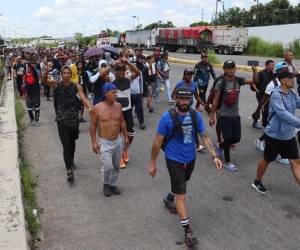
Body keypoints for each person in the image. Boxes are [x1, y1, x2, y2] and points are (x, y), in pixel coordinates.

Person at [149, 86, 222, 247]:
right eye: (181, 99)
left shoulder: (195, 115)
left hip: (190, 158)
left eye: (187, 99)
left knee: (181, 184)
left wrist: (214, 156)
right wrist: (152, 163)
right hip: (173, 158)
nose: (184, 102)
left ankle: (169, 197)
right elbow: (157, 142)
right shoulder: (167, 118)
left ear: (191, 99)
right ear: (176, 98)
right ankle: (188, 231)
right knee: (181, 195)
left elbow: (205, 136)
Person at [252, 70, 300, 194]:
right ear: (283, 80)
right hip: (274, 135)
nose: (293, 80)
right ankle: (257, 181)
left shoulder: (292, 93)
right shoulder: (276, 94)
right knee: (267, 159)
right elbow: (282, 113)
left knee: (295, 162)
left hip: (288, 136)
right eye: (290, 78)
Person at [43, 65, 92, 184]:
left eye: (67, 73)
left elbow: (83, 97)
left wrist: (90, 107)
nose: (66, 75)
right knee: (66, 145)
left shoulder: (76, 86)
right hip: (61, 119)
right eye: (64, 73)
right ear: (61, 74)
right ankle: (69, 170)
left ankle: (71, 160)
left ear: (71, 75)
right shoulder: (56, 85)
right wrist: (46, 71)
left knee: (72, 143)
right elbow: (44, 81)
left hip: (73, 119)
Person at [209, 60, 258, 171]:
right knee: (228, 138)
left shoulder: (238, 80)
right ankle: (227, 161)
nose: (230, 70)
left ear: (235, 69)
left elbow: (255, 81)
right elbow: (216, 100)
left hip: (235, 115)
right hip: (224, 115)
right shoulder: (221, 82)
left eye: (232, 67)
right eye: (228, 68)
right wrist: (212, 115)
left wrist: (254, 71)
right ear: (224, 69)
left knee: (236, 138)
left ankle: (220, 146)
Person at [90, 83, 129, 197]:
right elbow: (92, 126)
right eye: (113, 92)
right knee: (107, 166)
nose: (116, 94)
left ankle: (113, 184)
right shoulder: (97, 108)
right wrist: (94, 142)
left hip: (117, 141)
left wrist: (125, 137)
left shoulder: (118, 106)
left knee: (116, 166)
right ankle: (106, 184)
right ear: (106, 94)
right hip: (105, 142)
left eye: (116, 92)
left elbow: (122, 121)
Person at [253, 62, 290, 165]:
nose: (287, 71)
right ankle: (281, 155)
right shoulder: (272, 84)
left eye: (287, 69)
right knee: (277, 133)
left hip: (282, 112)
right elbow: (264, 100)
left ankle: (260, 141)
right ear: (278, 71)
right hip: (271, 112)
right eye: (284, 69)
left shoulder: (287, 82)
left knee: (274, 132)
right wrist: (257, 112)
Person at [113, 61, 139, 168]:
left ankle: (125, 151)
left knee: (131, 134)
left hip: (128, 111)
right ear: (116, 72)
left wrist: (127, 62)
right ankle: (119, 157)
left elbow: (137, 72)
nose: (121, 72)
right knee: (117, 136)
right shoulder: (112, 80)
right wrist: (112, 64)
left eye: (123, 70)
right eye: (119, 70)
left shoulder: (128, 79)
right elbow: (102, 75)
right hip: (117, 111)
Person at [251, 60, 275, 129]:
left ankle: (258, 122)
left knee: (262, 108)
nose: (273, 67)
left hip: (269, 94)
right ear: (267, 66)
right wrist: (257, 90)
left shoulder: (273, 74)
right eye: (272, 65)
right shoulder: (261, 73)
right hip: (261, 94)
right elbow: (253, 82)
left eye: (274, 65)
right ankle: (265, 125)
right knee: (263, 109)